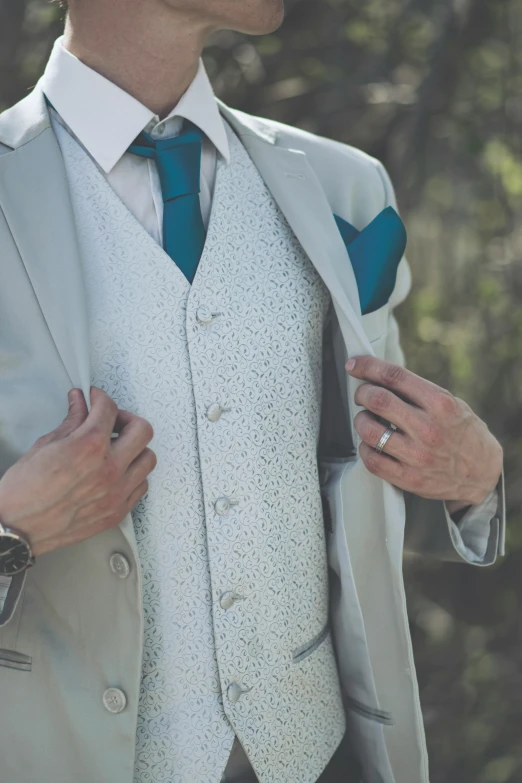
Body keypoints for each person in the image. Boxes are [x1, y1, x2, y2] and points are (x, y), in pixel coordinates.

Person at [0, 1, 504, 782]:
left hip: (324, 754)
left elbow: (380, 485)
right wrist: (9, 531)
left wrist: (471, 481)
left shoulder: (343, 184)